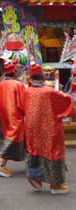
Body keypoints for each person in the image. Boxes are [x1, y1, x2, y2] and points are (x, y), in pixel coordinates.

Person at [23, 63, 74, 195]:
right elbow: (66, 101)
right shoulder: (50, 92)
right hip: (49, 126)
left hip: (32, 127)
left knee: (34, 149)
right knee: (53, 150)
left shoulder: (27, 91)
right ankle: (56, 184)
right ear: (42, 76)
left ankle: (35, 177)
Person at [0, 61, 26, 178]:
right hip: (16, 115)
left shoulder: (1, 84)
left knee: (11, 136)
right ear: (15, 72)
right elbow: (23, 103)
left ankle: (32, 164)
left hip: (4, 115)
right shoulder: (17, 85)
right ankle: (0, 164)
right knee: (13, 138)